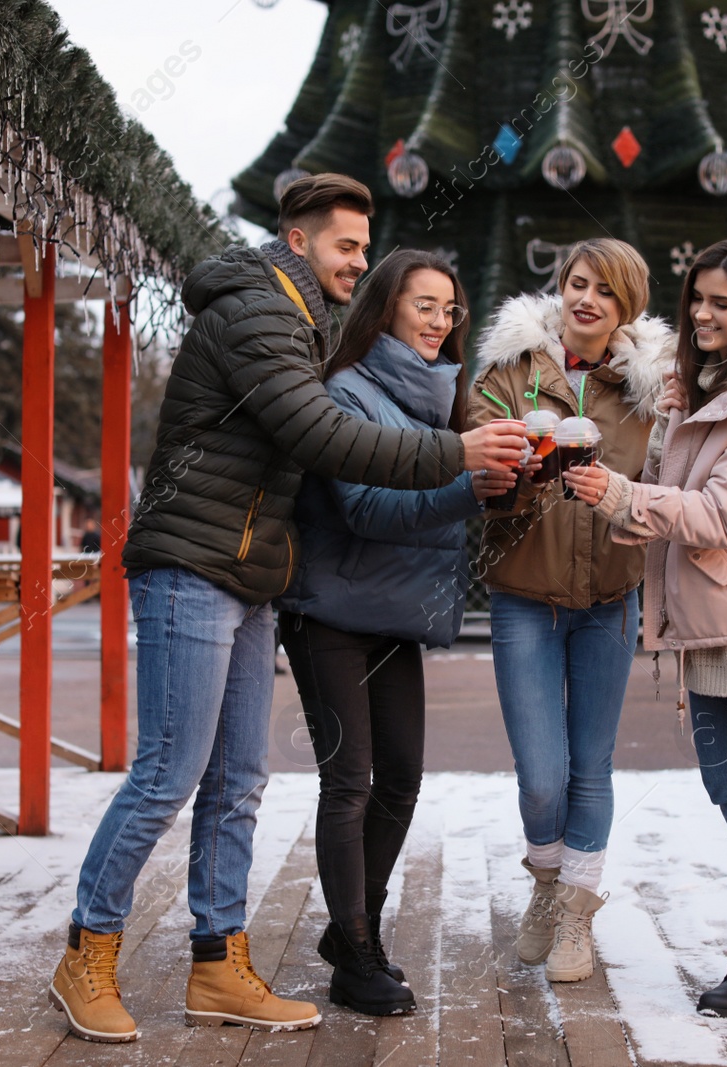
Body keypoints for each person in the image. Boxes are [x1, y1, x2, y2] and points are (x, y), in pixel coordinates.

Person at [48, 174, 528, 1044]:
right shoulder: (257, 313)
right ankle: (87, 950)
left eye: (364, 247)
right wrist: (456, 451)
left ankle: (217, 961)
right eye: (347, 246)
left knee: (237, 783)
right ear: (299, 240)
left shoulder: (299, 322)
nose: (360, 261)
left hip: (247, 575)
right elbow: (323, 436)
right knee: (170, 771)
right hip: (190, 565)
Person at [563, 235, 727, 1016]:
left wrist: (619, 496)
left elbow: (719, 515)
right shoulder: (707, 392)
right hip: (711, 618)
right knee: (726, 779)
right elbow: (670, 491)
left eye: (724, 301)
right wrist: (645, 472)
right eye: (699, 299)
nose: (704, 313)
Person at [278, 249, 511, 1016]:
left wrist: (498, 484)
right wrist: (465, 487)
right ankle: (356, 952)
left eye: (450, 310)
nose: (441, 322)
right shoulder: (347, 391)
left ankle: (353, 929)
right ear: (384, 309)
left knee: (402, 778)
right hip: (330, 612)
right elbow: (367, 510)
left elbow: (436, 494)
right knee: (351, 782)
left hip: (392, 617)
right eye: (425, 306)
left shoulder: (435, 399)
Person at [469, 239, 675, 983]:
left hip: (610, 598)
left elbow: (671, 481)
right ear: (562, 288)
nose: (588, 299)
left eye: (607, 292)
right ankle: (547, 885)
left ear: (628, 308)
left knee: (591, 763)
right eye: (579, 283)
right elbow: (480, 474)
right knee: (540, 774)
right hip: (525, 595)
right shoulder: (511, 369)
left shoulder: (651, 387)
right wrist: (522, 472)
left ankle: (575, 916)